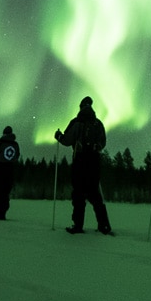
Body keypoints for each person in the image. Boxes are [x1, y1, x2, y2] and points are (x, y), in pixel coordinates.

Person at [54, 96, 113, 235]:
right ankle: (104, 225)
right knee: (95, 194)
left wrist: (59, 136)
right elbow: (103, 142)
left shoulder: (76, 122)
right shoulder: (98, 123)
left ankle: (78, 225)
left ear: (81, 107)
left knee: (79, 194)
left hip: (80, 161)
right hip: (94, 161)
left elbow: (67, 140)